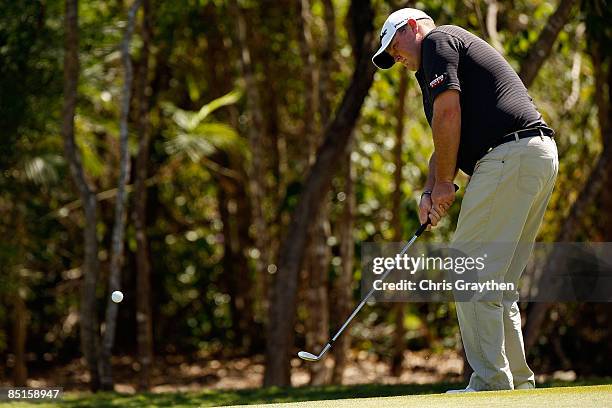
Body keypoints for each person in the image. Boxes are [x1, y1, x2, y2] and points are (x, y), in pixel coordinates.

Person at [372, 8, 558, 392]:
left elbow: (448, 112)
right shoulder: (437, 64)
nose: (396, 58)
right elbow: (445, 140)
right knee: (498, 281)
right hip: (532, 156)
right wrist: (430, 190)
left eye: (394, 46)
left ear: (411, 27)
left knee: (467, 266)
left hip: (509, 155)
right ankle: (517, 385)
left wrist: (444, 184)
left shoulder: (438, 40)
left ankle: (491, 383)